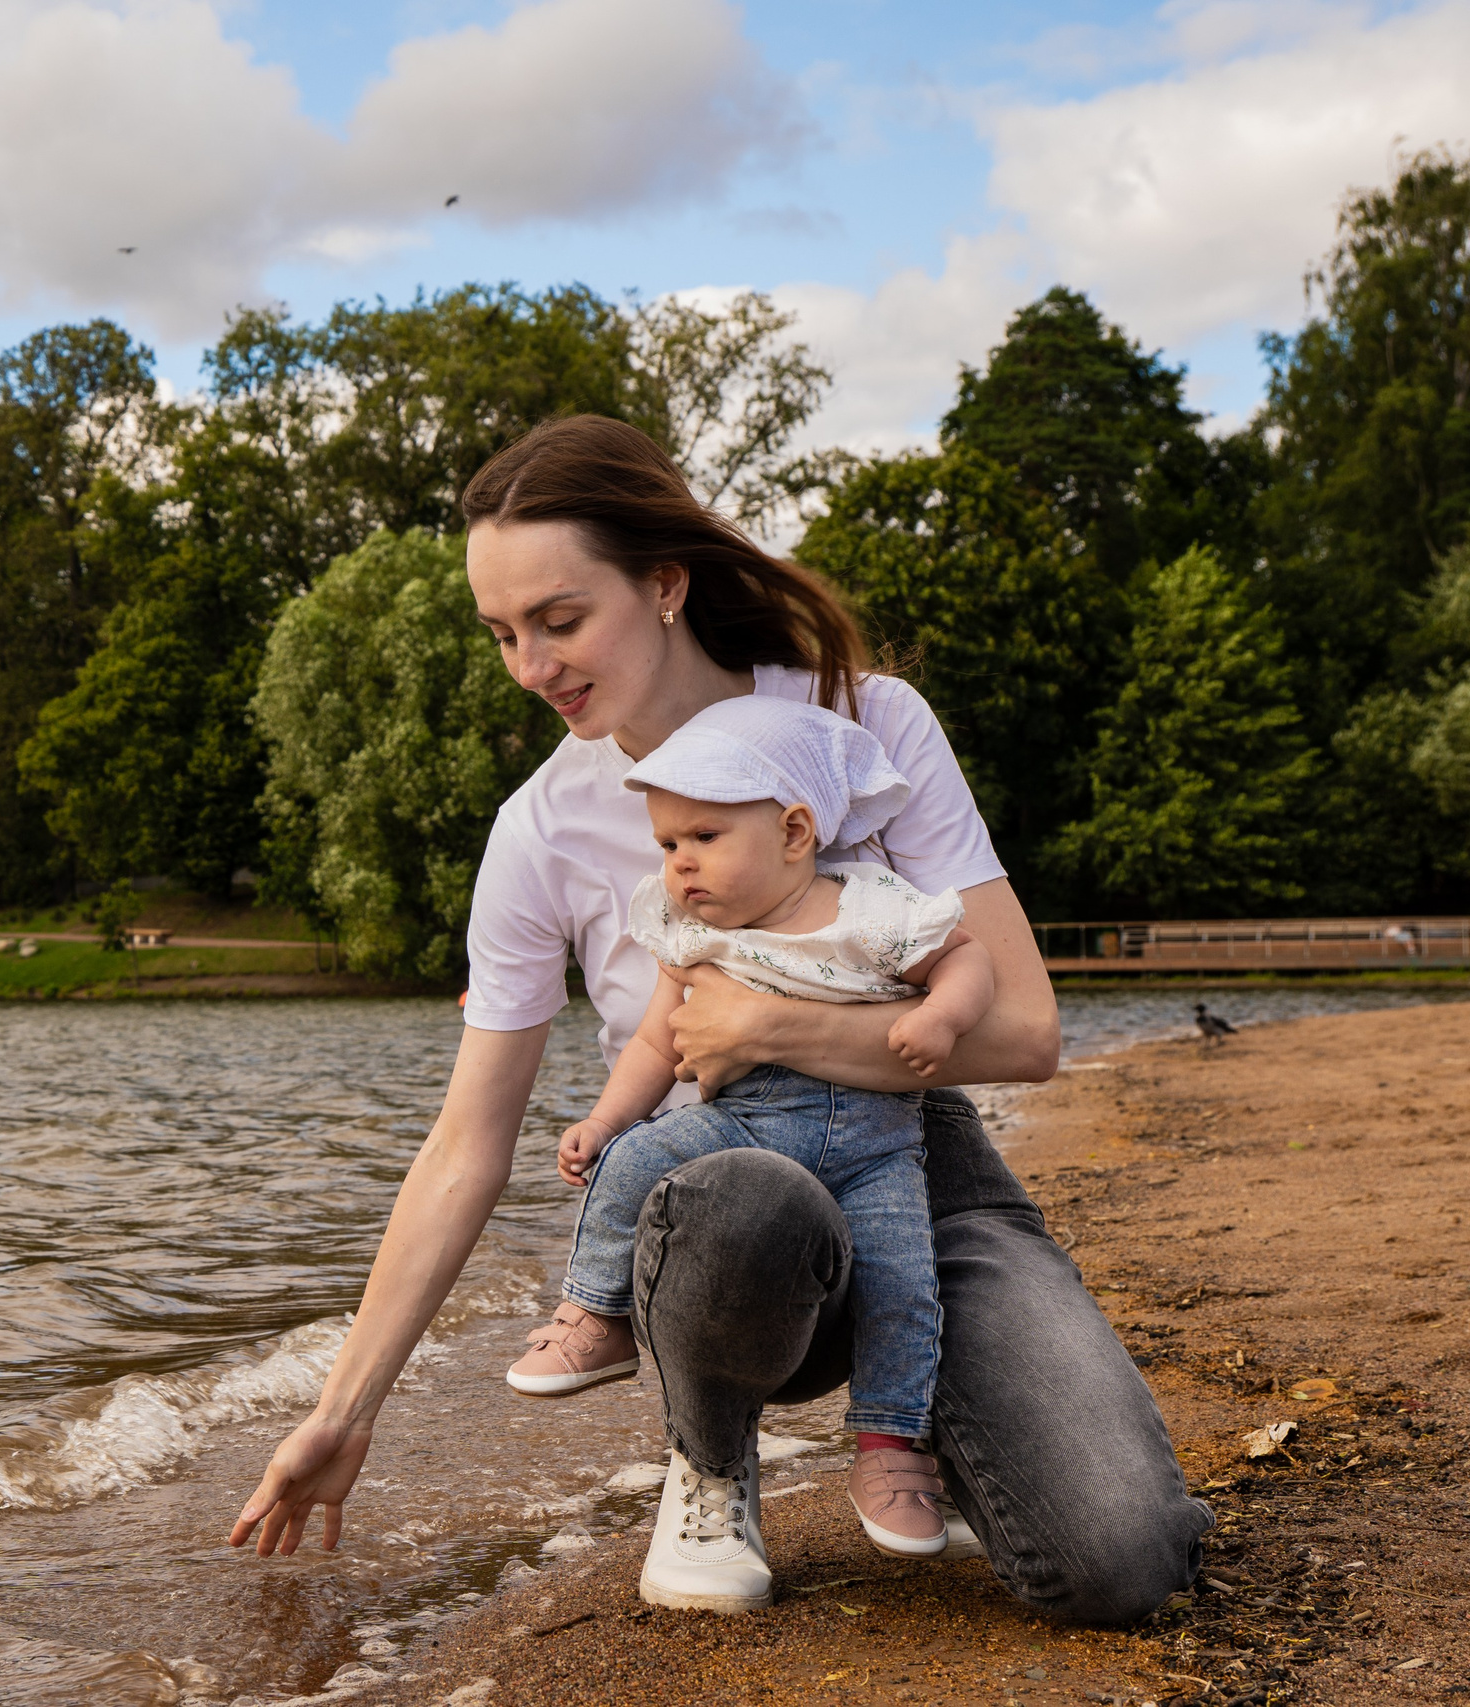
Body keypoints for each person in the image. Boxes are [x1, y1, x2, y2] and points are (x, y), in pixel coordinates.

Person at [227, 415, 1209, 1620]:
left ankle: (924, 1424)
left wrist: (771, 1029)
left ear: (665, 586)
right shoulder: (538, 832)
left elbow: (1023, 1035)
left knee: (1121, 1563)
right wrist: (342, 1411)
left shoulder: (869, 724)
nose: (531, 666)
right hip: (718, 1207)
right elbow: (467, 1143)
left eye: (559, 620)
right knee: (737, 1191)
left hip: (915, 1163)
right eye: (502, 635)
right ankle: (709, 1459)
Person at [504, 695, 995, 1563]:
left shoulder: (869, 910)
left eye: (704, 838)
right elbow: (660, 1038)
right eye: (667, 844)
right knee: (639, 1155)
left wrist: (944, 1017)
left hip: (878, 1150)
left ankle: (888, 1447)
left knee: (905, 1287)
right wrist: (604, 1118)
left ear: (796, 832)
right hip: (745, 1124)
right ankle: (598, 1311)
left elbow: (967, 956)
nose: (680, 864)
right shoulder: (693, 932)